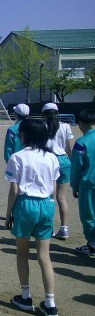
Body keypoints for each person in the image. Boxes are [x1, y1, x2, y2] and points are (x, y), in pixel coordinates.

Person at [5, 119, 60, 316]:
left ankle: (26, 296)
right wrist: (51, 206)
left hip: (25, 204)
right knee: (44, 256)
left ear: (24, 135)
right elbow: (54, 187)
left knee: (22, 252)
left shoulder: (17, 157)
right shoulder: (52, 157)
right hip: (46, 204)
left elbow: (14, 189)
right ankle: (50, 304)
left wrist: (8, 213)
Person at [42, 103, 74, 240]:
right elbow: (70, 148)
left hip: (47, 160)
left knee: (49, 197)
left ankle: (48, 228)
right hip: (63, 161)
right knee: (61, 197)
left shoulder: (42, 126)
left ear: (43, 114)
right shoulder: (66, 126)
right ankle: (64, 228)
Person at [71, 109, 95, 256]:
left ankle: (92, 243)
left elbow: (76, 168)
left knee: (88, 215)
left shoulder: (81, 142)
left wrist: (74, 186)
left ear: (81, 124)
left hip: (88, 184)